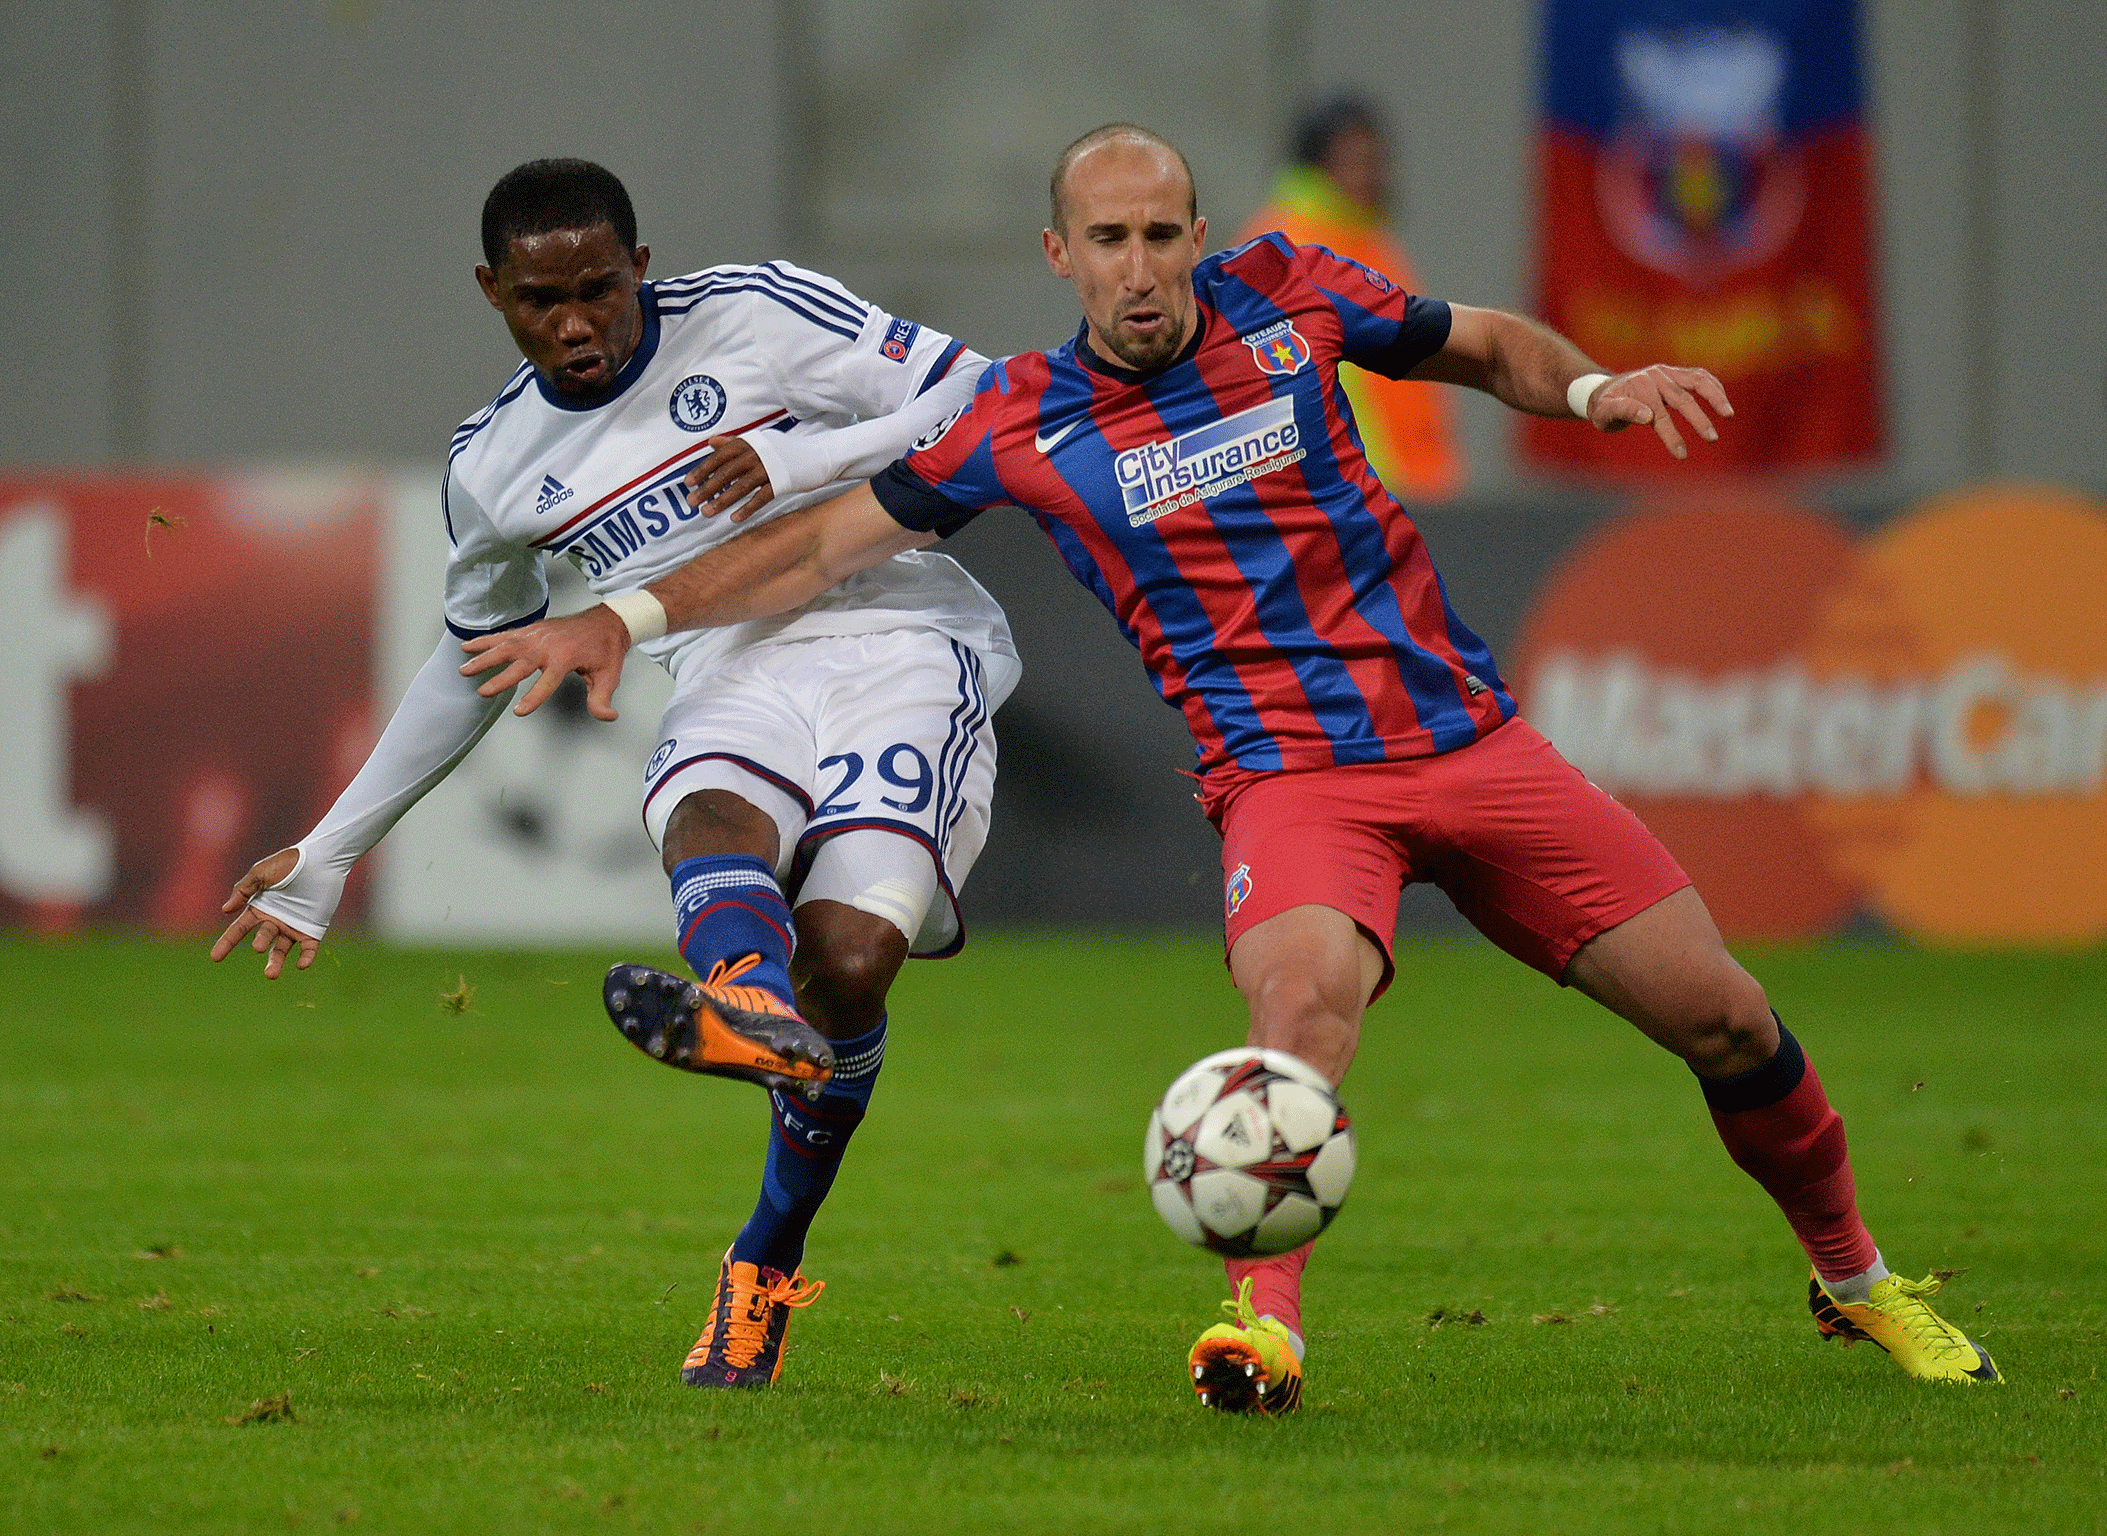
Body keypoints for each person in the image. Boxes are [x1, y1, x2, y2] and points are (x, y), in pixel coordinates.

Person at [461, 127, 2001, 1413]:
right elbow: (811, 546)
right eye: (1102, 240)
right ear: (1056, 257)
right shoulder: (1014, 421)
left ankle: (1852, 1280)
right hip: (1288, 787)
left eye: (1156, 233)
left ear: (1194, 233)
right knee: (1294, 1023)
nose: (1136, 267)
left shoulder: (1291, 292)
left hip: (1465, 740)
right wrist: (620, 613)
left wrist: (1593, 389)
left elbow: (1477, 346)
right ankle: (1261, 1329)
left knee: (1726, 1019)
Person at [210, 158, 1020, 1392]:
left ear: (643, 265)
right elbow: (470, 660)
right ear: (491, 292)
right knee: (706, 807)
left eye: (601, 288)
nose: (578, 323)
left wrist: (800, 464)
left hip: (902, 639)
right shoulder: (494, 466)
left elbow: (986, 395)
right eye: (543, 301)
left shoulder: (753, 311)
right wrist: (327, 853)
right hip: (724, 666)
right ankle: (743, 997)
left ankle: (764, 1256)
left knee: (851, 970)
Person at [1237, 94, 1463, 501]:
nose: (1373, 176)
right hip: (1358, 503)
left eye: (1376, 161)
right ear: (1319, 166)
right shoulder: (1289, 247)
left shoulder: (1369, 240)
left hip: (1413, 492)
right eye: (1356, 161)